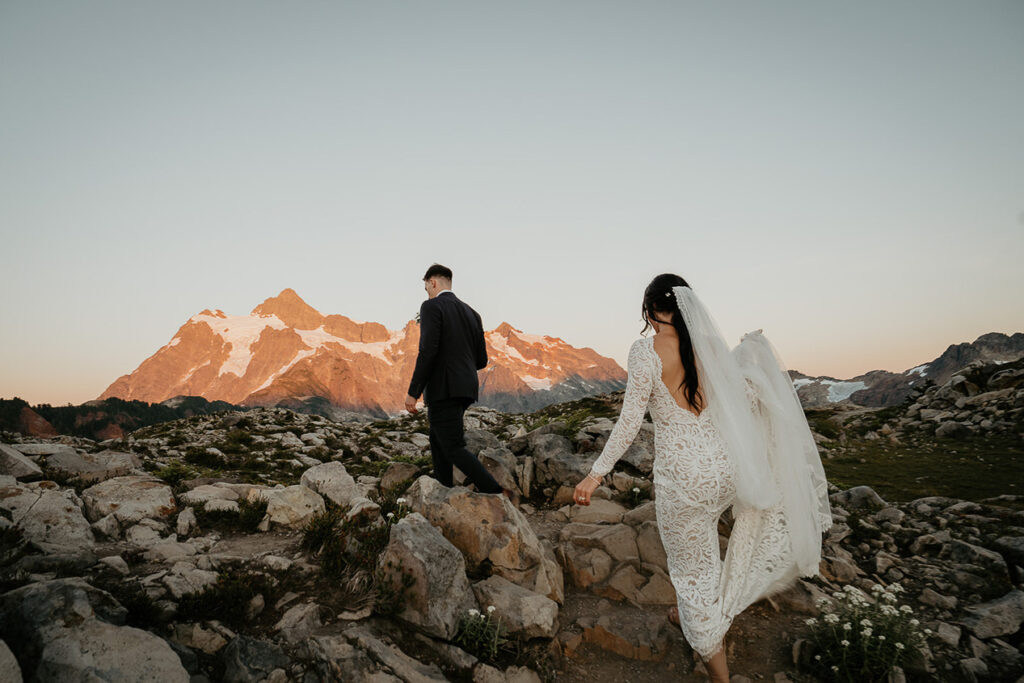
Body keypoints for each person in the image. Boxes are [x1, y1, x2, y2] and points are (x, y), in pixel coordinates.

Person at [573, 274, 832, 683]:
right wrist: (752, 355)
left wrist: (595, 474)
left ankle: (717, 667)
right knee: (703, 555)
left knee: (692, 572)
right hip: (725, 472)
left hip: (685, 481)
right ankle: (690, 614)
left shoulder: (646, 351)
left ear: (649, 310)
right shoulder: (711, 349)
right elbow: (745, 397)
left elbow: (628, 422)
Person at [406, 263, 520, 506]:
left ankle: (498, 494)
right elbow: (481, 359)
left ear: (433, 282)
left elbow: (427, 351)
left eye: (426, 287)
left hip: (443, 388)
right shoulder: (472, 313)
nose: (426, 291)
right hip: (466, 387)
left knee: (453, 446)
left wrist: (413, 392)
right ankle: (443, 493)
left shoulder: (431, 306)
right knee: (438, 440)